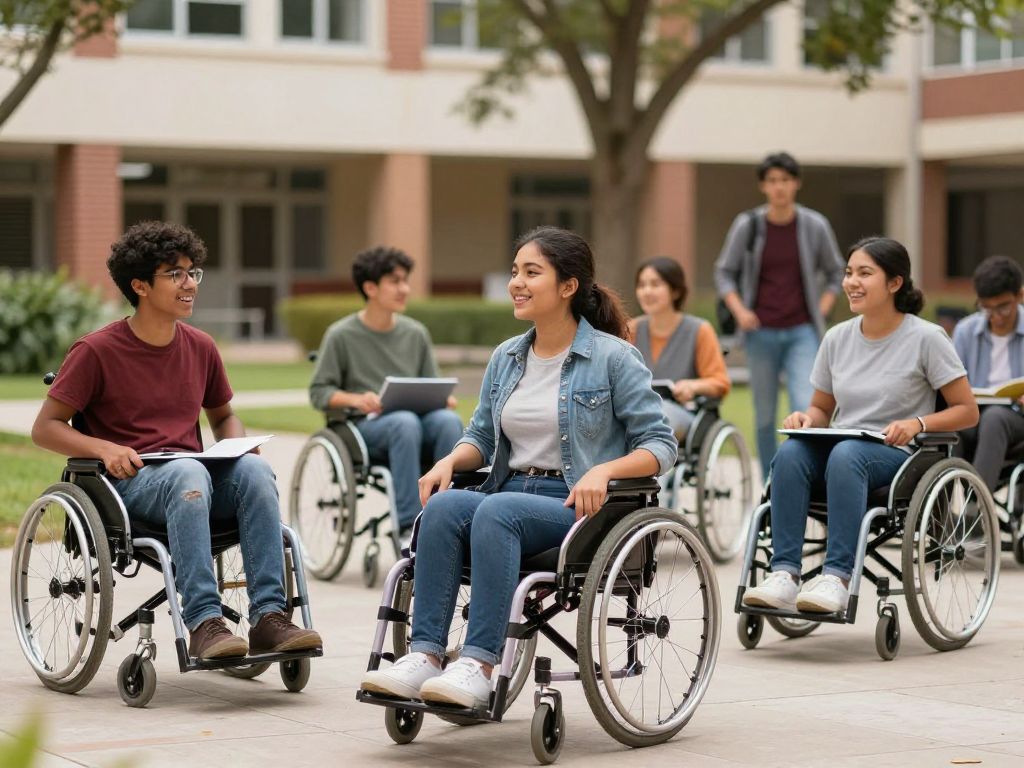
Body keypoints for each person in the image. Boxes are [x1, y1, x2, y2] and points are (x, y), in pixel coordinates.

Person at [360, 226, 677, 708]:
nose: (517, 283)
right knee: (443, 508)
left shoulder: (613, 358)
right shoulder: (507, 357)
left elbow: (660, 444)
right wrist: (450, 460)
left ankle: (479, 664)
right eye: (515, 272)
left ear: (568, 286)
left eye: (532, 272)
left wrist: (605, 471)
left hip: (580, 507)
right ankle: (424, 655)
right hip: (508, 492)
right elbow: (481, 438)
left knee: (497, 511)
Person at [31, 221, 322, 660]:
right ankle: (204, 622)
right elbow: (46, 427)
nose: (190, 284)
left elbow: (224, 416)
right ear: (140, 286)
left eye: (192, 272)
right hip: (128, 486)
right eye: (175, 274)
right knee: (188, 471)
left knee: (255, 470)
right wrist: (105, 448)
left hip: (193, 482)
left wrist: (238, 443)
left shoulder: (201, 347)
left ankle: (269, 617)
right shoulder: (96, 351)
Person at [741, 237, 978, 614]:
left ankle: (836, 578)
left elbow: (967, 410)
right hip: (843, 449)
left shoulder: (927, 338)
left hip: (897, 455)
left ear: (895, 282)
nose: (851, 282)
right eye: (849, 272)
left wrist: (917, 423)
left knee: (847, 455)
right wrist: (807, 419)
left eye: (865, 273)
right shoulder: (837, 338)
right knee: (790, 453)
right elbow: (822, 407)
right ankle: (784, 573)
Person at [308, 246, 464, 533]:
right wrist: (357, 399)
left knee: (448, 421)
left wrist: (444, 399)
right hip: (366, 428)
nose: (405, 289)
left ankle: (452, 513)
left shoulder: (415, 333)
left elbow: (431, 381)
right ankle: (410, 524)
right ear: (370, 288)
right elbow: (319, 392)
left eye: (405, 281)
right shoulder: (341, 335)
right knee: (404, 423)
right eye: (395, 281)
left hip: (417, 423)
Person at [714, 151, 845, 479]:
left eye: (785, 180)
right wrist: (740, 310)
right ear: (763, 186)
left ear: (796, 183)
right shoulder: (749, 225)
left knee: (804, 406)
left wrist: (823, 306)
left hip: (803, 331)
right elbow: (724, 272)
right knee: (764, 416)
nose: (779, 187)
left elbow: (836, 271)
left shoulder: (814, 225)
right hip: (760, 333)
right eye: (772, 181)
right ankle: (770, 482)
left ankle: (807, 477)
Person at [631, 256, 731, 439]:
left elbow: (720, 382)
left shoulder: (699, 330)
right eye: (642, 285)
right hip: (634, 410)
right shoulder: (630, 330)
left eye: (655, 284)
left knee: (657, 417)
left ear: (675, 291)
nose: (647, 291)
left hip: (681, 413)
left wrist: (692, 386)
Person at [952, 255, 1024, 492]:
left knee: (994, 418)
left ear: (1020, 296)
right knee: (951, 427)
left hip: (1017, 416)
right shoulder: (965, 331)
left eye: (1003, 307)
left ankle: (976, 504)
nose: (996, 316)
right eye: (987, 308)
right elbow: (951, 381)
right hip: (973, 412)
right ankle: (942, 505)